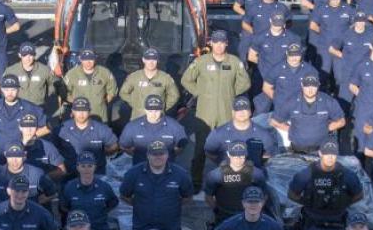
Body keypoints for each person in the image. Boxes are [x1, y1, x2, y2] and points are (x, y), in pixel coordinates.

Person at [180, 29, 250, 181]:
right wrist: (199, 92)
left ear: (226, 44)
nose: (218, 46)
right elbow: (186, 80)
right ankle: (196, 181)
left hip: (226, 114)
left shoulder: (234, 62)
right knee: (200, 149)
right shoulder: (201, 61)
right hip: (205, 114)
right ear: (211, 43)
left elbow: (245, 82)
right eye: (215, 42)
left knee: (226, 150)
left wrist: (230, 92)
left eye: (222, 43)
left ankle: (227, 181)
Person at [119, 140, 195, 230]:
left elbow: (187, 197)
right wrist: (140, 205)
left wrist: (171, 206)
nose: (158, 157)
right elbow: (124, 195)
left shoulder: (180, 175)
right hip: (142, 229)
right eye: (154, 154)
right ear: (148, 155)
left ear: (167, 155)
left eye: (161, 154)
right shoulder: (133, 174)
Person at [286, 141, 364, 230]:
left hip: (338, 225)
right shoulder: (306, 174)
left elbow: (359, 194)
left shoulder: (347, 175)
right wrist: (309, 202)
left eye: (333, 154)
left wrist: (344, 203)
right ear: (320, 153)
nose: (330, 157)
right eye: (327, 154)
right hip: (313, 225)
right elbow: (292, 194)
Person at [270, 75, 344, 153]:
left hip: (321, 150)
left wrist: (325, 129)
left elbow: (342, 121)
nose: (310, 90)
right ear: (302, 85)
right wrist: (291, 130)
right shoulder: (292, 101)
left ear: (318, 85)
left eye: (313, 87)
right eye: (307, 86)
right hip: (297, 150)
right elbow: (274, 121)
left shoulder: (328, 101)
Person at [203, 144, 270, 230]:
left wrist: (255, 210)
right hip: (224, 215)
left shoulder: (256, 174)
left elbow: (264, 195)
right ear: (229, 154)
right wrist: (217, 210)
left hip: (248, 215)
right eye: (235, 156)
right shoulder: (216, 175)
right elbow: (208, 197)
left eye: (242, 156)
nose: (239, 159)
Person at [0, 75, 44, 158]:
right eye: (6, 90)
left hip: (20, 152)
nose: (10, 93)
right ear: (2, 90)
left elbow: (47, 127)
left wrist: (31, 137)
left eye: (13, 89)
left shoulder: (29, 107)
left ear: (18, 89)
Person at [205, 96, 280, 171]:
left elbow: (271, 154)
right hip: (227, 177)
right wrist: (222, 165)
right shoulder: (219, 133)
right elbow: (209, 152)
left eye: (245, 109)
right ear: (233, 112)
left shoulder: (263, 134)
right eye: (238, 109)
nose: (241, 112)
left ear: (250, 112)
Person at [59, 151, 119, 230]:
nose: (86, 169)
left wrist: (100, 214)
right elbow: (64, 207)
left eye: (90, 166)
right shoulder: (69, 187)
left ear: (95, 167)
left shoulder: (104, 187)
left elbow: (113, 203)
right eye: (83, 166)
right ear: (78, 168)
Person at [58, 96, 120, 177]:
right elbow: (52, 151)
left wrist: (103, 153)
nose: (81, 114)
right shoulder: (62, 129)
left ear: (89, 111)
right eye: (78, 111)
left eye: (84, 110)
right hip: (70, 175)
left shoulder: (101, 129)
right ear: (72, 112)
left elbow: (114, 146)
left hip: (96, 174)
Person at [119, 92, 188, 164]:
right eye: (150, 111)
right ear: (145, 110)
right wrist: (138, 156)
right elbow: (124, 146)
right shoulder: (132, 127)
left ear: (161, 110)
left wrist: (169, 156)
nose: (153, 114)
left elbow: (181, 146)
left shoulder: (174, 126)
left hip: (166, 168)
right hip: (141, 168)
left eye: (156, 111)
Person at [118, 48, 182, 123]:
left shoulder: (165, 77)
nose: (151, 62)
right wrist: (136, 104)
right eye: (148, 59)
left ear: (158, 60)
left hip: (158, 120)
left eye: (154, 59)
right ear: (143, 60)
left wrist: (161, 107)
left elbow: (175, 95)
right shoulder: (134, 77)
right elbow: (123, 93)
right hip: (138, 118)